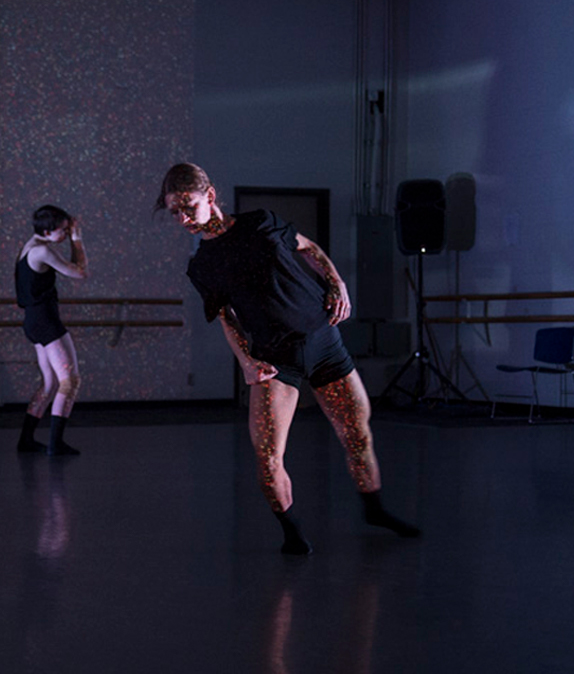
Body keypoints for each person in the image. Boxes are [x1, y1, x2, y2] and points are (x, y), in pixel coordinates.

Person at [157, 163, 419, 555]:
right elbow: (227, 318)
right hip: (276, 360)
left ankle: (375, 509)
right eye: (174, 212)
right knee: (267, 458)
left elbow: (309, 248)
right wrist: (247, 361)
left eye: (188, 207)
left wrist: (337, 283)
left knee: (358, 433)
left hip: (324, 343)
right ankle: (291, 531)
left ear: (209, 196)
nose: (182, 219)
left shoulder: (261, 223)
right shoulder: (202, 266)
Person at [14, 205, 87, 456]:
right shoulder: (42, 251)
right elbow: (80, 272)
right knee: (70, 381)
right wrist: (77, 240)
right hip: (45, 321)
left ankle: (26, 440)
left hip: (34, 321)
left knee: (50, 383)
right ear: (47, 231)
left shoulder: (28, 247)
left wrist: (70, 237)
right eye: (62, 230)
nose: (65, 234)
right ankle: (56, 443)